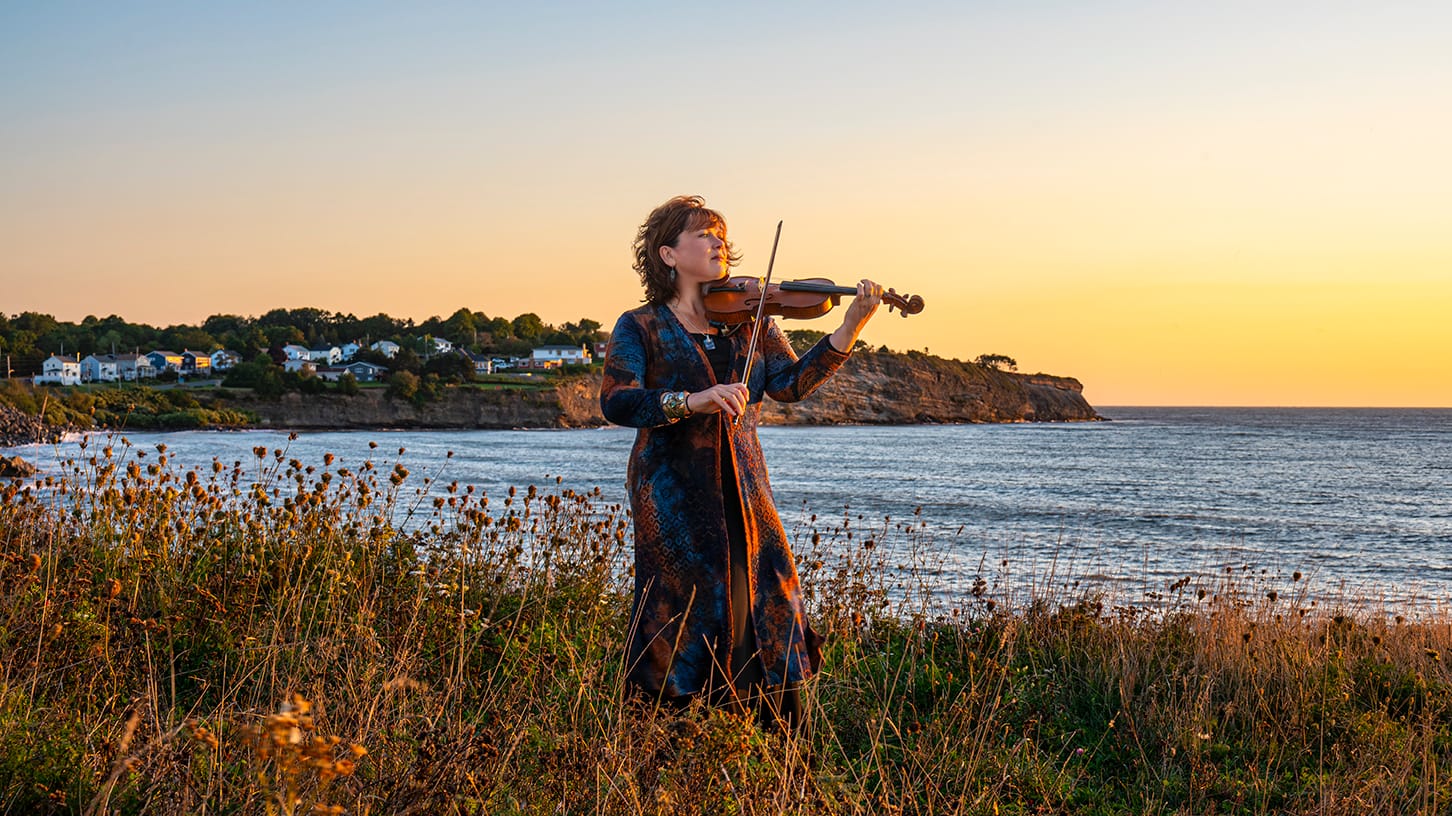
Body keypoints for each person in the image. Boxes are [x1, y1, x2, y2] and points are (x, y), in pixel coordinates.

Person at [600, 195, 884, 732]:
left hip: (746, 488)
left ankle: (776, 750)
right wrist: (692, 400)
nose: (718, 244)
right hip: (674, 494)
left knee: (770, 595)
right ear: (668, 254)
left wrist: (848, 329)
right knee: (684, 609)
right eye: (704, 235)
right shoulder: (642, 325)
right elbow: (617, 400)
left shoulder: (751, 321)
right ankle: (669, 742)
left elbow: (789, 384)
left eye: (722, 236)